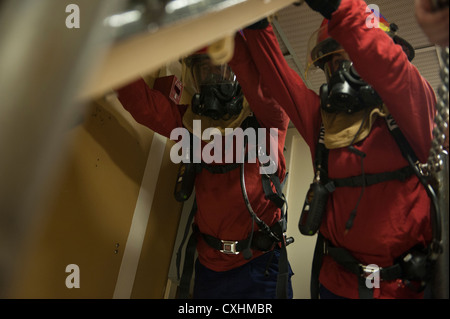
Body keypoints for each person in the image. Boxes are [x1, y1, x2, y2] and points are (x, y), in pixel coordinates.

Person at [229, 0, 437, 298]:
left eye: (354, 61)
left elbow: (391, 68)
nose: (343, 76)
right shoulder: (322, 121)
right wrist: (256, 24)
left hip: (402, 288)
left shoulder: (414, 109)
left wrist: (339, 7)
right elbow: (278, 79)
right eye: (336, 65)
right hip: (336, 285)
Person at [115, 49, 293, 299]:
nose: (212, 80)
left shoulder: (267, 126)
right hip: (210, 268)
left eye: (219, 70)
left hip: (260, 267)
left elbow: (274, 88)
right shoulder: (192, 128)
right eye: (204, 72)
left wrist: (231, 41)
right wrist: (111, 55)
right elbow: (143, 105)